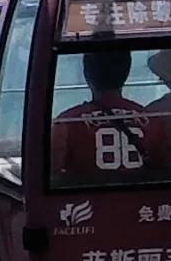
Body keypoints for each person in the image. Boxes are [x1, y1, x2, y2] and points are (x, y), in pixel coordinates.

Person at [50, 42, 150, 181]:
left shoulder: (67, 122)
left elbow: (53, 171)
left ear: (86, 74)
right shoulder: (151, 119)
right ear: (127, 72)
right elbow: (163, 166)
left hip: (86, 200)